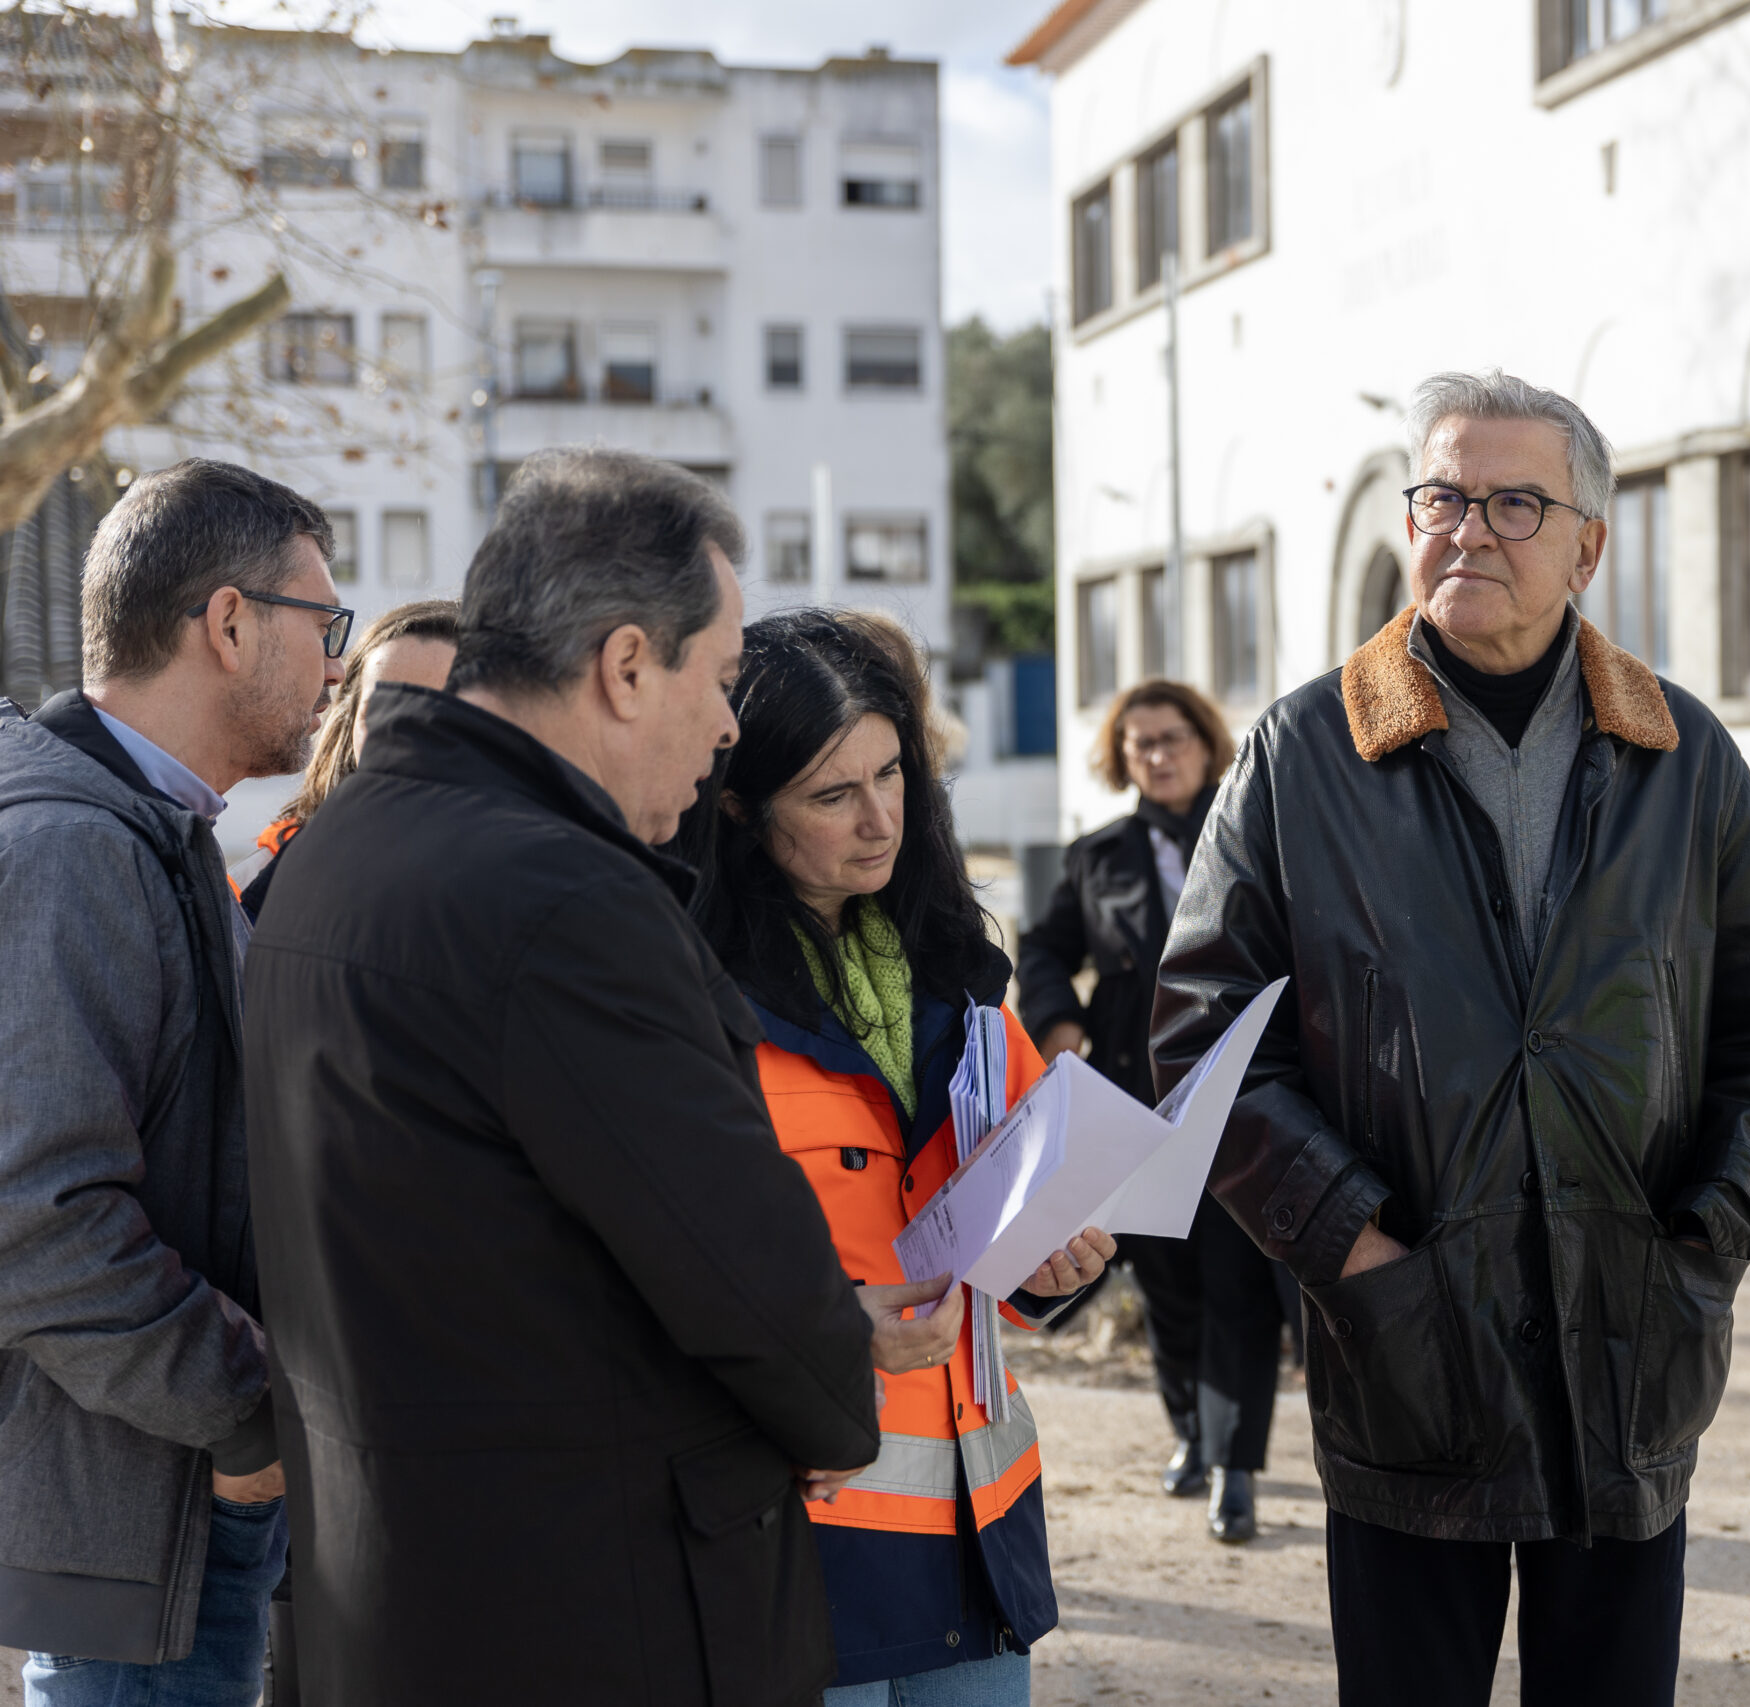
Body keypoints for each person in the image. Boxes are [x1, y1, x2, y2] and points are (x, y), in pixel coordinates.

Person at [1152, 370, 1750, 1707]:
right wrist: (1359, 1249)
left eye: (1516, 500)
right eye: (1444, 494)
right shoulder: (1304, 751)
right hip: (1407, 1358)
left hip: (1627, 1354)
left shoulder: (1683, 754)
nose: (1470, 526)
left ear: (1588, 543)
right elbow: (1207, 1037)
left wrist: (1703, 1239)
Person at [241, 448, 924, 1707]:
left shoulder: (343, 852)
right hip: (593, 1605)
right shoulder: (565, 902)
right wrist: (827, 1393)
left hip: (402, 1589)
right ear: (623, 666)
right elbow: (738, 1268)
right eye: (719, 681)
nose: (729, 727)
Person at [684, 607, 1114, 1706]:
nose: (880, 820)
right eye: (833, 795)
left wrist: (1054, 1262)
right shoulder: (684, 1002)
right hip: (800, 1522)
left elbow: (1018, 1196)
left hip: (977, 1522)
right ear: (737, 808)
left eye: (893, 776)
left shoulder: (960, 975)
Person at [0, 460, 348, 1702]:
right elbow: (38, 1226)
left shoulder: (152, 830)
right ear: (231, 622)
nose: (337, 666)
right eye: (326, 623)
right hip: (151, 1519)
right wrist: (253, 1416)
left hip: (177, 1506)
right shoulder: (74, 846)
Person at [1017, 679, 1287, 1542]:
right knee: (1165, 1283)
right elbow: (1046, 947)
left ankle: (1236, 1467)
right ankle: (1190, 1440)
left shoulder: (1257, 835)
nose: (1159, 755)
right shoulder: (1095, 855)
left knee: (1238, 1286)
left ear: (1208, 745)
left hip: (1242, 1100)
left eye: (1173, 739)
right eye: (1141, 744)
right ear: (1122, 757)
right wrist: (1058, 1023)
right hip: (1136, 1104)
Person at [235, 597, 457, 919]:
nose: (412, 741)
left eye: (446, 718)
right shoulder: (256, 890)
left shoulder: (542, 881)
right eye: (385, 714)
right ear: (350, 728)